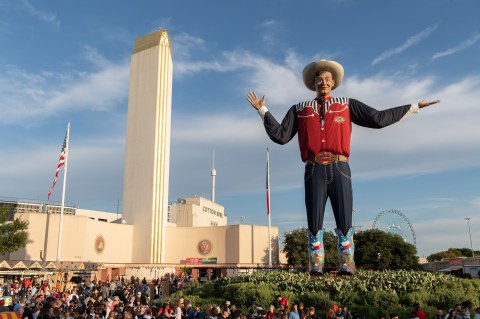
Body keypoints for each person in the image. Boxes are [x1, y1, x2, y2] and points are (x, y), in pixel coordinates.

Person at [247, 59, 439, 276]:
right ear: (313, 83)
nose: (324, 82)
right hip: (313, 168)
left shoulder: (346, 104)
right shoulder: (300, 109)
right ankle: (315, 264)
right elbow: (281, 136)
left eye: (328, 79)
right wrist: (262, 110)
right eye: (319, 79)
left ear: (334, 82)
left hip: (340, 167)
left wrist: (414, 108)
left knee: (345, 217)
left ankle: (347, 263)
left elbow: (378, 118)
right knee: (314, 218)